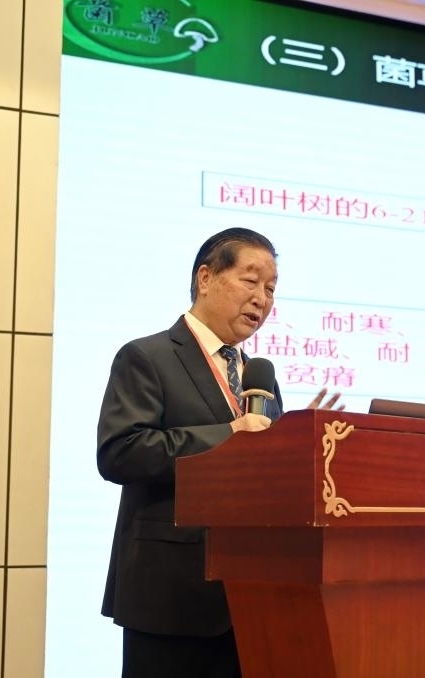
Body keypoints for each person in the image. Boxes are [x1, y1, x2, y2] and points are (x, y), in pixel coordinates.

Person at [96, 227, 341, 678]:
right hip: (171, 596)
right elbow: (121, 452)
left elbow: (260, 475)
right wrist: (229, 434)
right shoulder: (147, 357)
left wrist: (294, 446)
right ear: (205, 277)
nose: (261, 299)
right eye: (250, 281)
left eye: (271, 289)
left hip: (254, 596)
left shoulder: (258, 374)